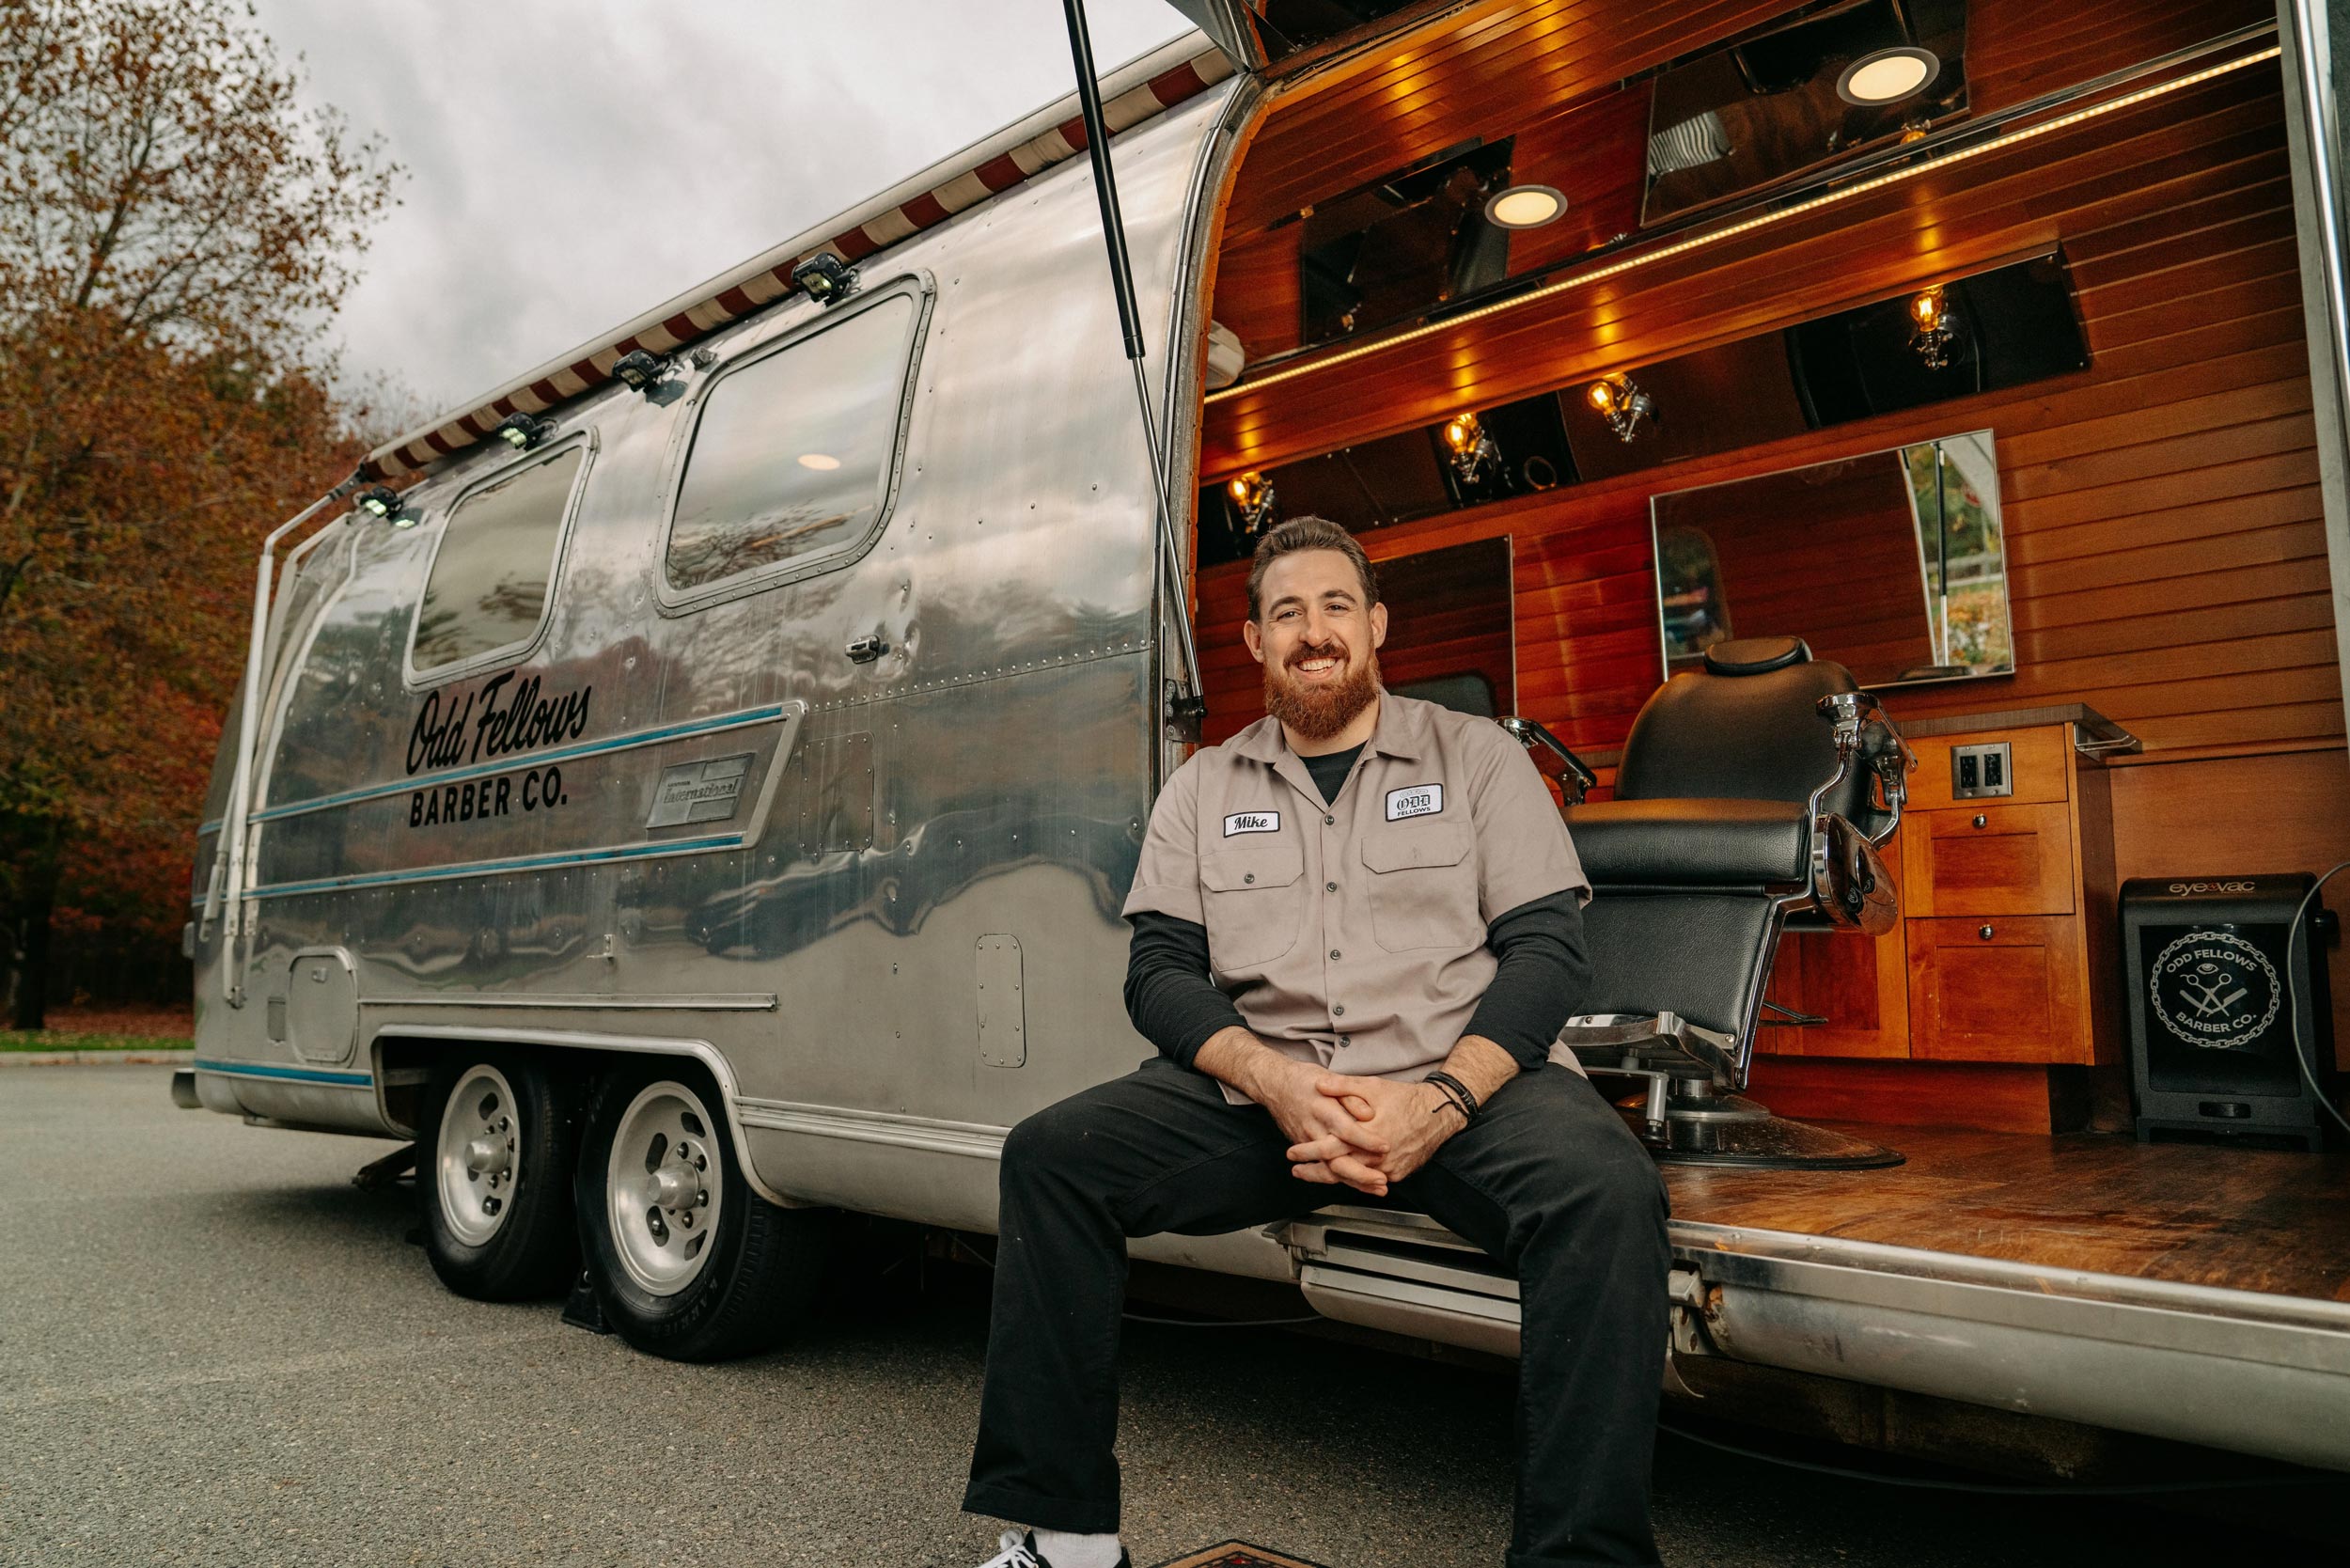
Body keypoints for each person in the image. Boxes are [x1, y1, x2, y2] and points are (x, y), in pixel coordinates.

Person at [961, 516, 1671, 1568]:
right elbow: (1157, 973)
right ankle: (1065, 1541)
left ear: (1376, 625)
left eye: (1336, 606)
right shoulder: (1204, 786)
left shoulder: (1475, 757)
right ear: (1254, 642)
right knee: (1052, 1159)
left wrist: (1437, 1102)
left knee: (1607, 1197)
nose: (1314, 631)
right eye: (1286, 612)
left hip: (1464, 1085)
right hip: (1271, 1097)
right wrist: (1274, 1081)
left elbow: (1548, 957)